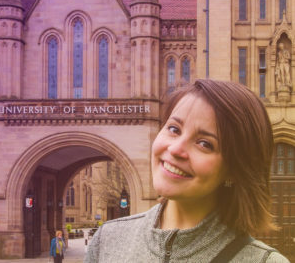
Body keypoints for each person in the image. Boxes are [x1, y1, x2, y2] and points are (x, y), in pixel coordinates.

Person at [84, 79, 290, 262]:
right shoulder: (108, 241)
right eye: (174, 129)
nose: (175, 149)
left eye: (204, 143)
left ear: (234, 170)